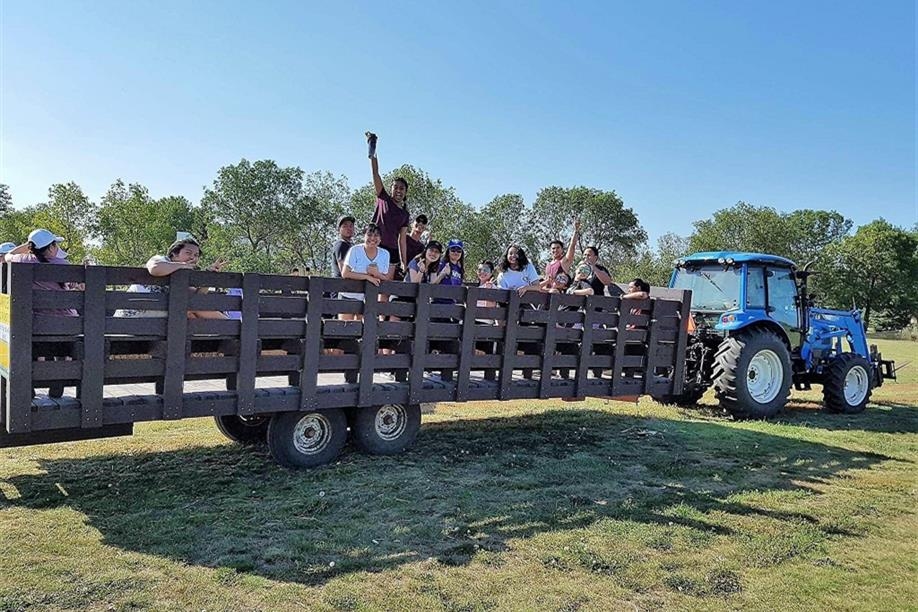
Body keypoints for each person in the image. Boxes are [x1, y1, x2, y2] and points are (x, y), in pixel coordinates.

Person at [113, 238, 227, 319]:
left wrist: (208, 277)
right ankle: (231, 326)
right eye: (188, 253)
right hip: (133, 314)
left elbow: (197, 298)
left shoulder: (183, 276)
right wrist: (184, 265)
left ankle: (226, 330)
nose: (193, 257)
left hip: (152, 320)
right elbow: (154, 268)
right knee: (190, 309)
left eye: (196, 255)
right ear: (174, 254)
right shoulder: (162, 260)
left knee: (191, 311)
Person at [366, 132, 410, 279]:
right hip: (375, 244)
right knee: (371, 281)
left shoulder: (405, 214)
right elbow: (375, 174)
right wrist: (373, 152)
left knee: (385, 287)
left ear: (405, 192)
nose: (398, 190)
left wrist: (403, 261)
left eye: (401, 188)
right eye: (395, 187)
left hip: (391, 250)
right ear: (391, 189)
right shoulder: (383, 198)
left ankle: (382, 304)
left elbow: (402, 240)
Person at [5, 229, 78, 317]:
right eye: (56, 245)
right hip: (66, 318)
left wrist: (29, 244)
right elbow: (72, 285)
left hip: (37, 318)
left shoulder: (23, 260)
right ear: (51, 247)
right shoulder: (63, 264)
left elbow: (8, 255)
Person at [339, 223, 390, 319]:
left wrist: (377, 274)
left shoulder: (385, 254)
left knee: (361, 330)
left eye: (376, 235)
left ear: (380, 238)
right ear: (364, 236)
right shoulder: (355, 250)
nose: (372, 238)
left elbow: (385, 277)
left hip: (368, 298)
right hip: (349, 294)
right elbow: (345, 273)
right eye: (369, 235)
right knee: (344, 328)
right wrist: (368, 277)